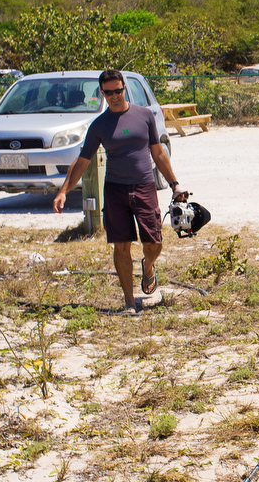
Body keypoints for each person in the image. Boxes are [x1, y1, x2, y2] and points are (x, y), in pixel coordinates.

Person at [53, 70, 188, 316]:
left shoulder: (144, 116)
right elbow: (82, 160)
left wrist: (174, 184)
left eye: (118, 90)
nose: (115, 96)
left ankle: (148, 266)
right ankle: (129, 302)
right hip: (115, 190)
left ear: (125, 87)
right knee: (121, 245)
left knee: (154, 242)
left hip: (144, 186)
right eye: (109, 93)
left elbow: (158, 153)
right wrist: (64, 191)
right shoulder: (99, 125)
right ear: (101, 94)